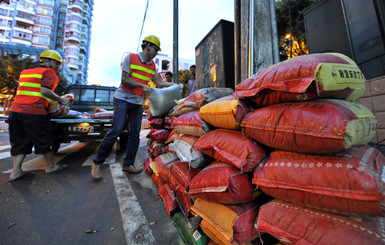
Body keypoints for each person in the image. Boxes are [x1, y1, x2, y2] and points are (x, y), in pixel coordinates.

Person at [91, 35, 173, 180]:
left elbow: (158, 81)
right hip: (122, 98)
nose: (156, 53)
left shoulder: (152, 65)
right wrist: (142, 86)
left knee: (134, 134)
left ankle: (128, 164)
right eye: (155, 49)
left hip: (137, 103)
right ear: (147, 46)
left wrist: (173, 85)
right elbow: (125, 79)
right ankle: (97, 162)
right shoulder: (131, 58)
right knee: (116, 129)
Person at [8, 50, 71, 182]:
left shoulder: (25, 72)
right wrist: (61, 100)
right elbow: (44, 91)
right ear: (46, 61)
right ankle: (51, 166)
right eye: (56, 63)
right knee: (44, 139)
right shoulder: (49, 72)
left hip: (15, 111)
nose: (58, 66)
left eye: (59, 64)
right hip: (33, 111)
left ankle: (16, 172)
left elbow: (32, 91)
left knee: (20, 141)